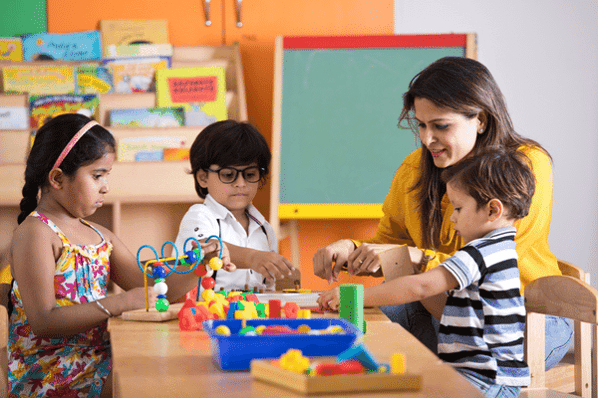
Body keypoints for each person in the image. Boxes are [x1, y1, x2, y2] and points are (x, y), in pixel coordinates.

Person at [312, 56, 573, 369]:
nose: (426, 139)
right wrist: (352, 249)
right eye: (421, 125)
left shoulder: (526, 167)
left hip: (522, 318)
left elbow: (488, 268)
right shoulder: (414, 170)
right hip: (447, 311)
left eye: (441, 126)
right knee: (353, 326)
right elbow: (391, 242)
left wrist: (416, 258)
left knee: (437, 351)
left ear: (481, 120)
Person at [7, 114, 232, 398]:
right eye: (97, 175)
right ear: (57, 178)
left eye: (106, 176)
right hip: (51, 372)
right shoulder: (36, 233)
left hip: (98, 361)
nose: (105, 186)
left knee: (177, 371)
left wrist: (198, 265)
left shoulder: (101, 236)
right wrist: (121, 302)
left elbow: (152, 285)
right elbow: (43, 321)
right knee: (150, 383)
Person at [319, 148, 532, 398]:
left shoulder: (480, 254)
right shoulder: (502, 249)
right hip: (487, 377)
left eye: (459, 208)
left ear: (493, 210)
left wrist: (353, 295)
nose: (452, 218)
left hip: (486, 381)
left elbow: (419, 287)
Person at [173, 120, 295, 294]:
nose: (240, 183)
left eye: (250, 174)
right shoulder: (198, 217)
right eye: (229, 174)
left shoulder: (265, 229)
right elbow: (205, 249)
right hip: (207, 316)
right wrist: (253, 257)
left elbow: (268, 288)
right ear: (203, 178)